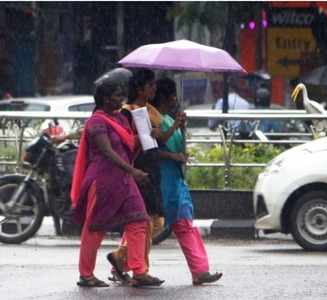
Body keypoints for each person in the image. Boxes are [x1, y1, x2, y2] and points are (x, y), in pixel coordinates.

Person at [70, 77, 163, 287]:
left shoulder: (121, 119)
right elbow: (106, 151)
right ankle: (86, 274)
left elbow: (128, 145)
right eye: (117, 96)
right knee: (95, 227)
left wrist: (148, 137)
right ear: (104, 98)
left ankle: (139, 271)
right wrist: (133, 171)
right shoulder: (96, 122)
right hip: (104, 181)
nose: (121, 100)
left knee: (140, 220)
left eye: (122, 96)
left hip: (124, 179)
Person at [107, 68, 181, 283]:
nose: (153, 89)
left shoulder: (151, 111)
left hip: (151, 166)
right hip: (138, 169)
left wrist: (175, 125)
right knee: (146, 221)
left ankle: (120, 259)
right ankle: (138, 269)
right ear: (139, 88)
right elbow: (127, 143)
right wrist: (144, 137)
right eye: (150, 85)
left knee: (150, 222)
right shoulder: (127, 111)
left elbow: (157, 140)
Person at [152, 77, 223, 285]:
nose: (175, 99)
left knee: (184, 224)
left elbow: (180, 150)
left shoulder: (168, 119)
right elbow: (154, 149)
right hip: (162, 181)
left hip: (176, 181)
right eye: (172, 95)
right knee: (148, 226)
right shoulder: (155, 119)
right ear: (166, 96)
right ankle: (123, 262)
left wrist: (182, 129)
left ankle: (200, 270)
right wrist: (176, 127)